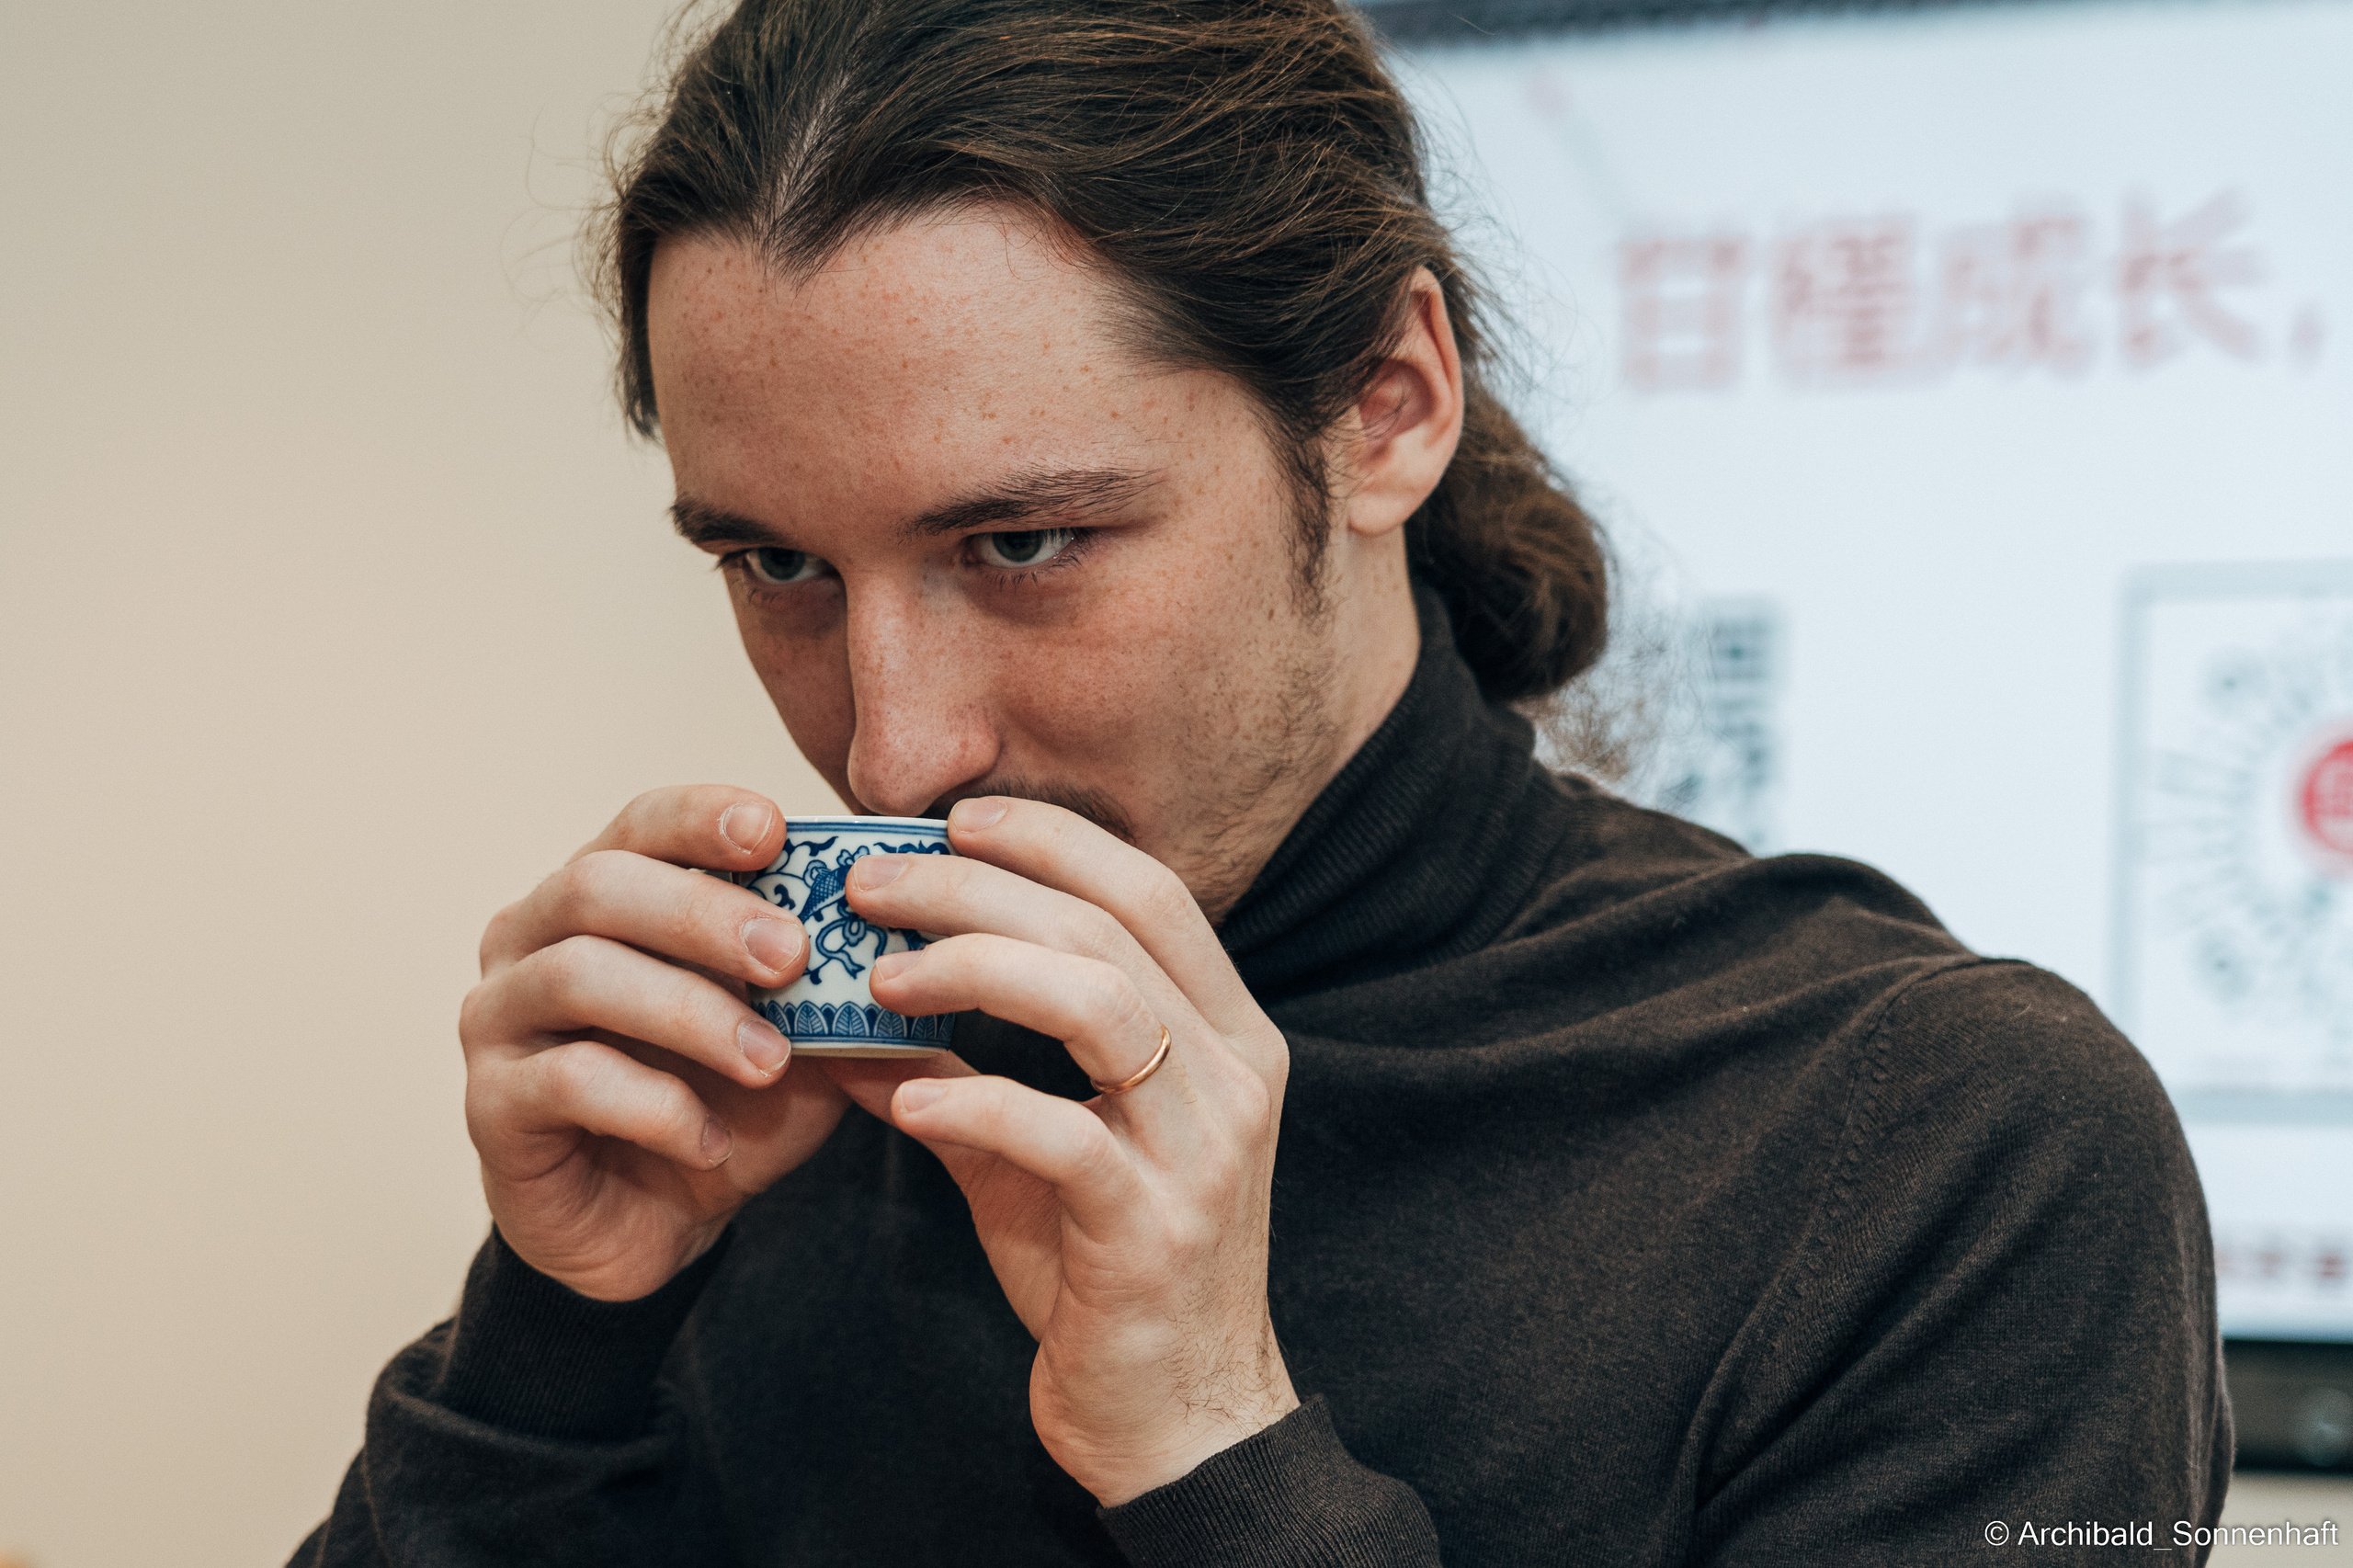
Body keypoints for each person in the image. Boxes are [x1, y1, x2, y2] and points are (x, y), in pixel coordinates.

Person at [291, 1, 2231, 1562]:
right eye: (778, 565)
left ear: (1386, 406)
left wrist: (1217, 1451)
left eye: (1023, 543)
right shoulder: (784, 1113)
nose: (892, 752)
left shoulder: (1943, 1148)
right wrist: (550, 1345)